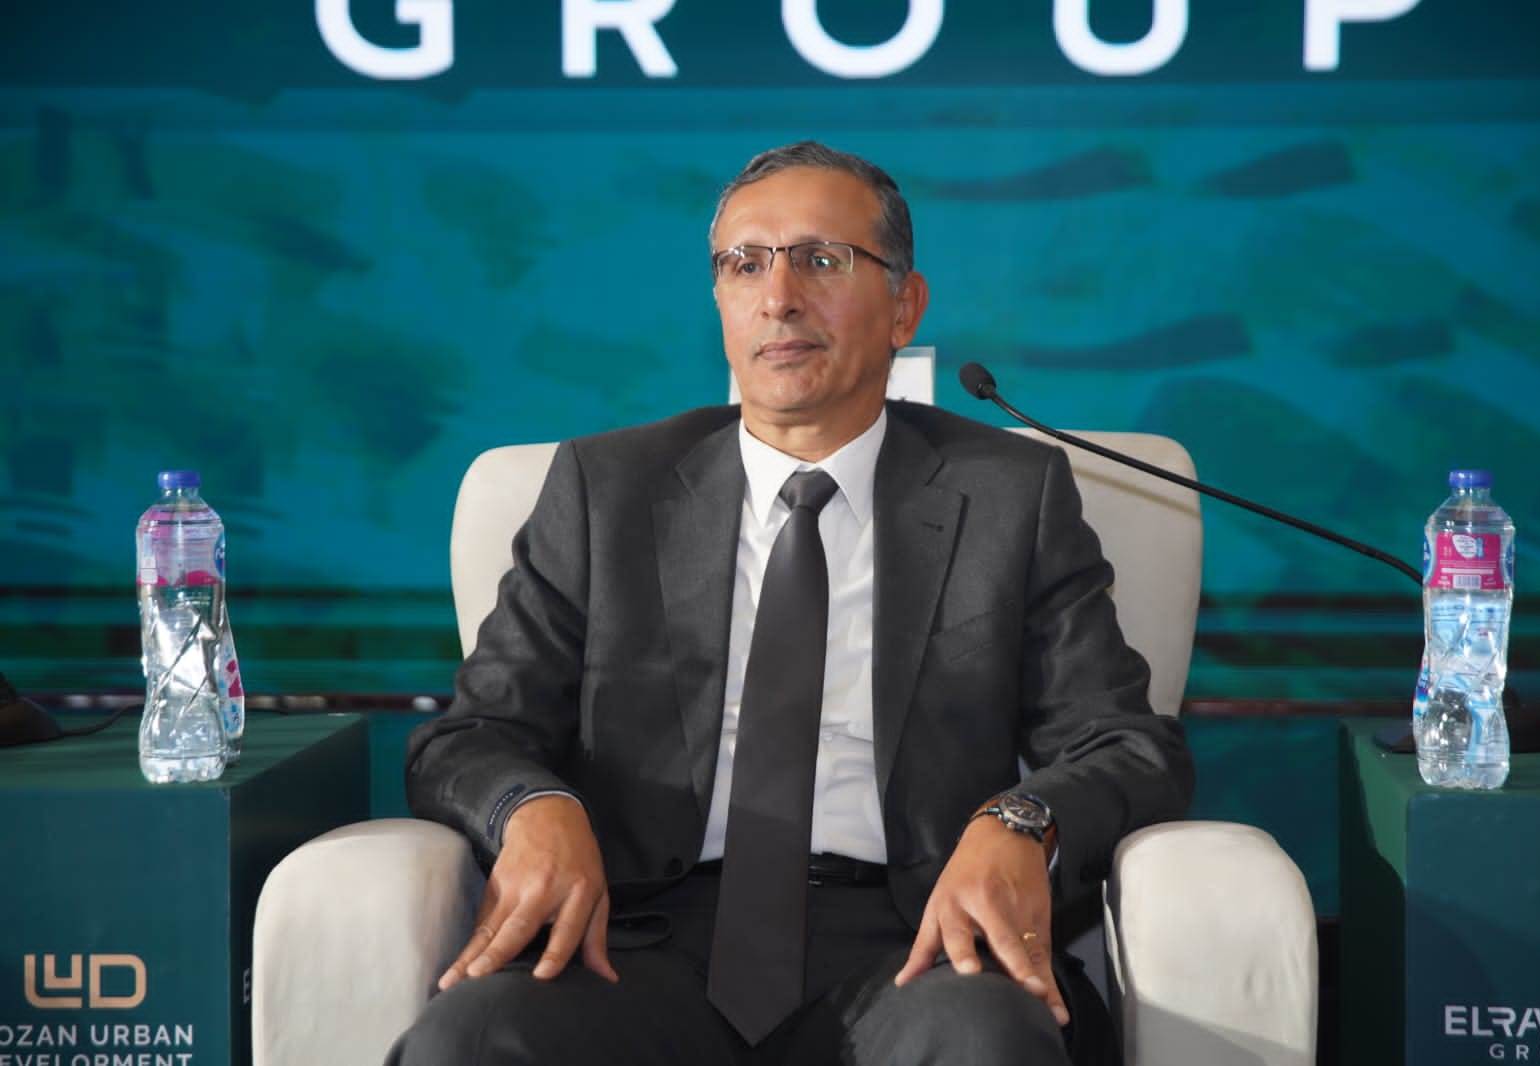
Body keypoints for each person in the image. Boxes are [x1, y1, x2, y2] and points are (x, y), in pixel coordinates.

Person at [387, 141, 1193, 1066]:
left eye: (821, 259)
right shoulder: (606, 491)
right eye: (745, 264)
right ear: (720, 301)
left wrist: (1019, 820)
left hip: (916, 943)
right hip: (634, 937)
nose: (778, 297)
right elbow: (468, 736)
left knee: (987, 1044)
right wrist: (530, 805)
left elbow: (1125, 745)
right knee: (467, 1041)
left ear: (904, 307)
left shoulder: (1008, 495)